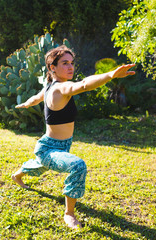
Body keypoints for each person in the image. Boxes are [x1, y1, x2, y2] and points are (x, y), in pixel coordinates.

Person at [12, 45, 135, 229]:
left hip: (61, 146)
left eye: (71, 63)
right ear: (52, 68)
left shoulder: (49, 87)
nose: (70, 67)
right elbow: (84, 84)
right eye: (64, 63)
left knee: (40, 165)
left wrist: (26, 104)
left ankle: (17, 175)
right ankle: (69, 214)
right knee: (77, 166)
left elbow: (36, 98)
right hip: (49, 148)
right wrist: (111, 75)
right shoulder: (60, 88)